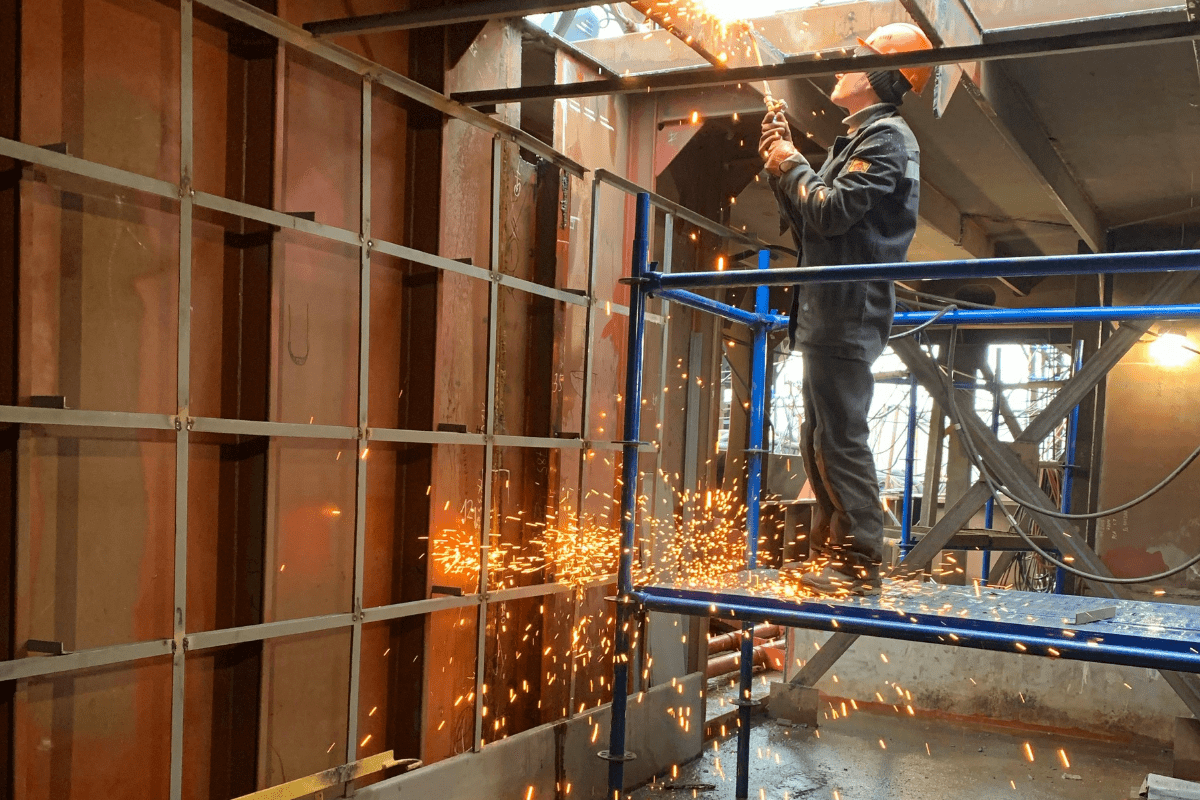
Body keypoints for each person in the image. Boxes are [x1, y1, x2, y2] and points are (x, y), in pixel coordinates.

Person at [758, 23, 934, 595]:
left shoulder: (888, 139)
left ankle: (860, 559)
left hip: (847, 311)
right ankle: (840, 552)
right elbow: (810, 216)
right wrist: (780, 163)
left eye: (855, 61)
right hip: (823, 310)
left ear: (879, 78)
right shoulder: (854, 142)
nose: (841, 69)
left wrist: (791, 165)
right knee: (820, 436)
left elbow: (830, 213)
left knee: (841, 436)